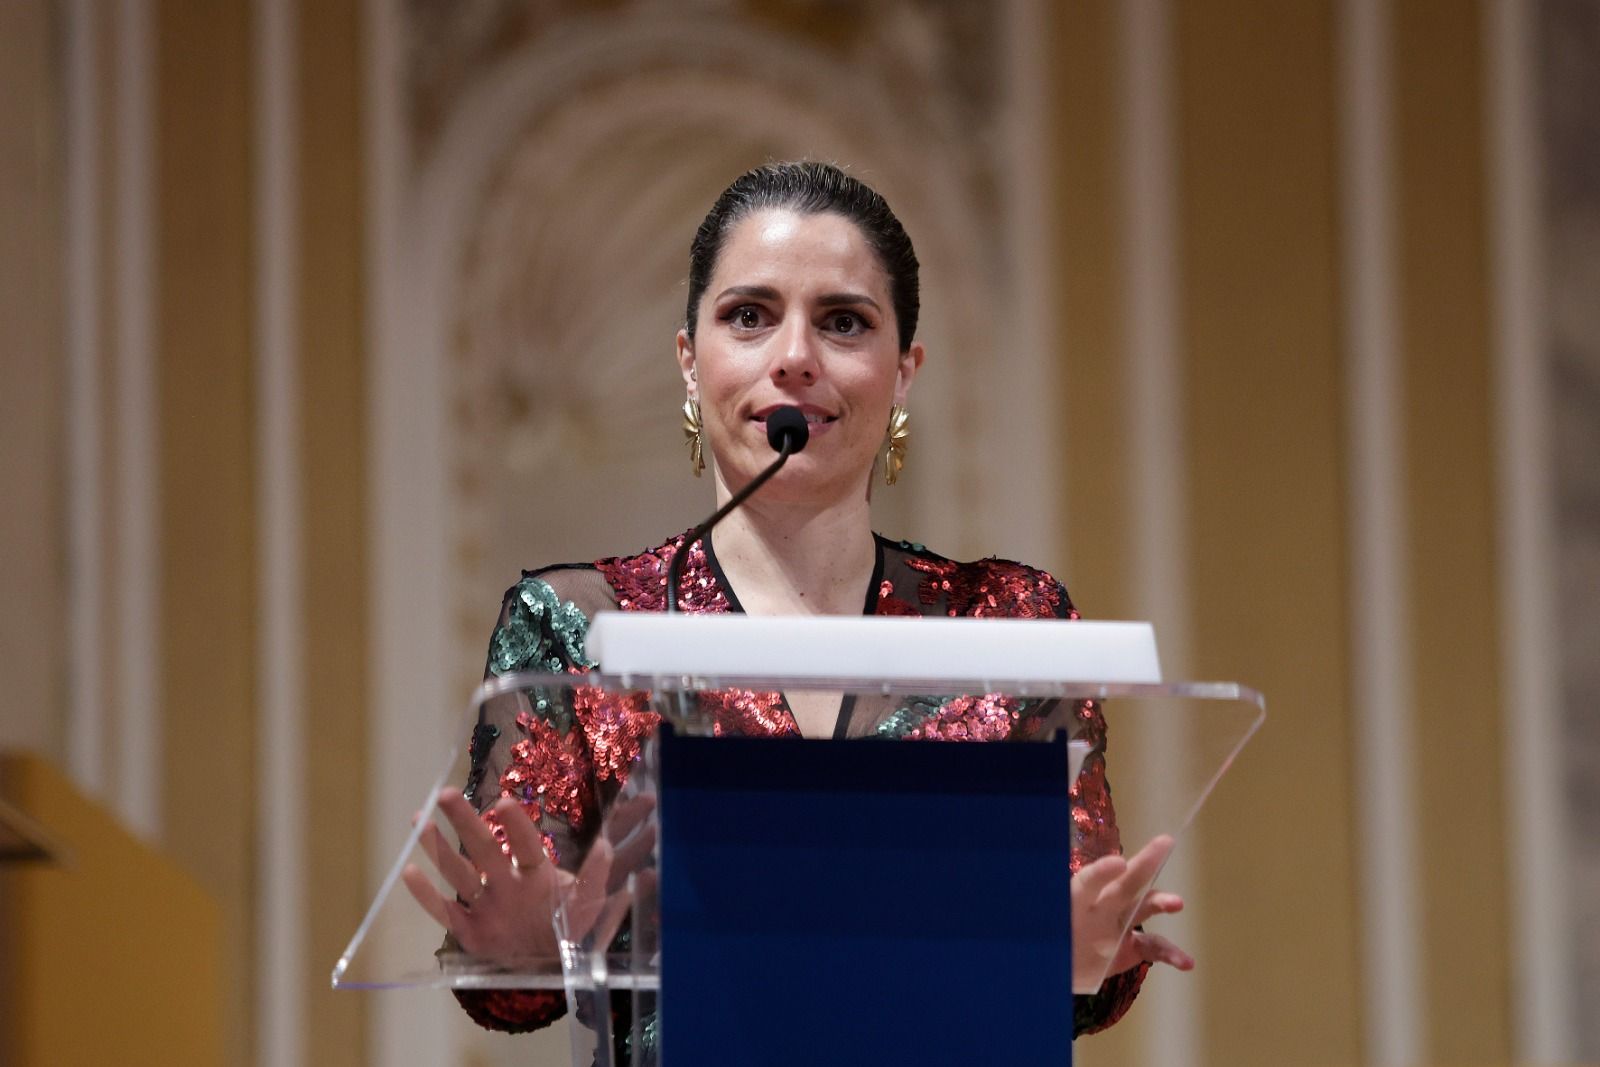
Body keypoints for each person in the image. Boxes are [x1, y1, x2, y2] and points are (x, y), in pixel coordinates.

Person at [403, 160, 1193, 1051]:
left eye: (843, 322)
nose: (795, 358)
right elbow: (514, 986)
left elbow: (1082, 959)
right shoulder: (580, 625)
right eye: (749, 316)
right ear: (689, 363)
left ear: (903, 374)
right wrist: (522, 952)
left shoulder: (1011, 622)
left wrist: (1079, 952)